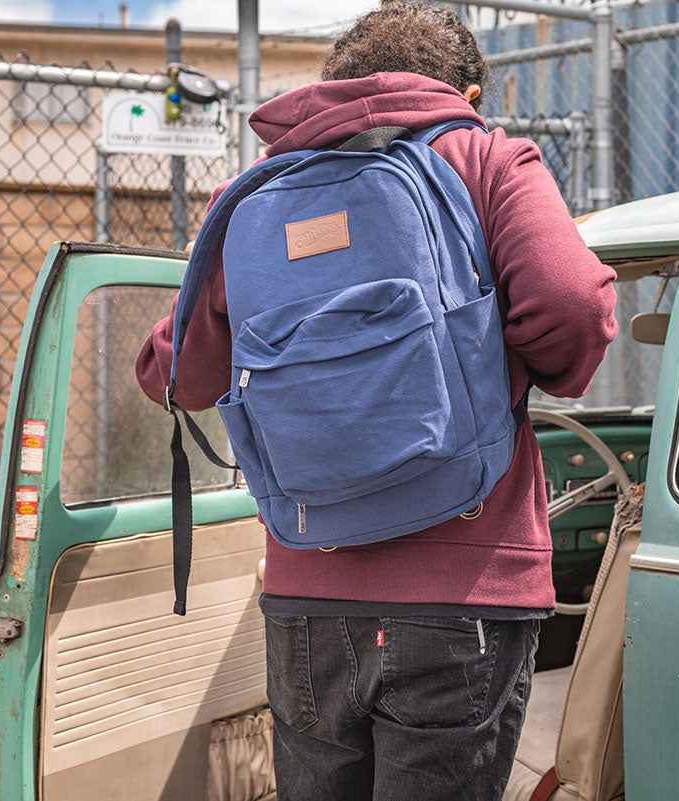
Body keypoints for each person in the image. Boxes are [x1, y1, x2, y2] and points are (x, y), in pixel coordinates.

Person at [136, 3, 617, 799]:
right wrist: (520, 362)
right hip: (464, 589)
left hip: (308, 594)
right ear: (463, 90)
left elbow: (178, 374)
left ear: (336, 86)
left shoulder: (253, 193)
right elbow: (572, 305)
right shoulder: (483, 157)